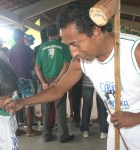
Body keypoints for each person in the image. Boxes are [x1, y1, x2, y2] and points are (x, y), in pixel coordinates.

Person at [7, 1, 140, 150]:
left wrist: (136, 118)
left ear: (95, 32)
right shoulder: (80, 62)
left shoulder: (135, 52)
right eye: (68, 45)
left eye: (75, 44)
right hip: (116, 131)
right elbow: (57, 90)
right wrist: (23, 102)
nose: (72, 53)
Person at [35, 24, 74, 143]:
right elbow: (66, 65)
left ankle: (46, 135)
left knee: (46, 109)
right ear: (58, 34)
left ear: (47, 35)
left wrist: (43, 82)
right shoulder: (64, 47)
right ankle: (63, 136)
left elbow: (37, 67)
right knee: (60, 107)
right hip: (60, 80)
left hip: (45, 80)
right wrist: (57, 80)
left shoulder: (41, 48)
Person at [8, 29, 40, 137]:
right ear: (22, 37)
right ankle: (29, 130)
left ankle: (16, 130)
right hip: (26, 78)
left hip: (15, 80)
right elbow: (33, 64)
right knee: (28, 105)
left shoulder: (10, 51)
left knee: (16, 104)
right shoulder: (28, 50)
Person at [0, 58, 18, 150]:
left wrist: (11, 114)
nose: (8, 100)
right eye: (4, 98)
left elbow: (10, 132)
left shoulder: (1, 108)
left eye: (11, 95)